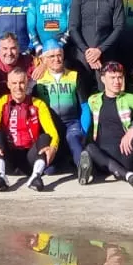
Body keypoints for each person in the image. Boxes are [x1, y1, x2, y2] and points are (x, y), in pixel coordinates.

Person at [77, 62, 133, 187]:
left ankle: (122, 172)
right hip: (104, 152)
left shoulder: (128, 97)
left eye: (119, 77)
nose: (117, 81)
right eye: (112, 78)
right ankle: (128, 176)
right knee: (89, 148)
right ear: (103, 79)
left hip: (125, 150)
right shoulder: (94, 100)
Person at [0, 68, 58, 192]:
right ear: (8, 85)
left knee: (46, 137)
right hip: (8, 158)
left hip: (30, 160)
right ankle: (1, 176)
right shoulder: (2, 102)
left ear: (27, 83)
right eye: (14, 83)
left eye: (21, 83)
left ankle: (36, 176)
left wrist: (53, 147)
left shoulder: (38, 104)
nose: (18, 87)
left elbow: (52, 131)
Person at [68, 0, 125, 82]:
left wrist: (100, 50)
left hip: (107, 55)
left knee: (105, 94)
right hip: (82, 56)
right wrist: (88, 53)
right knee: (82, 95)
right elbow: (73, 27)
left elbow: (119, 27)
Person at [33, 42, 84, 172]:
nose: (57, 59)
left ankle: (83, 167)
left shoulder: (74, 76)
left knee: (72, 138)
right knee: (50, 171)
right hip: (51, 125)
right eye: (51, 57)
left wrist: (85, 129)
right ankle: (65, 160)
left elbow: (84, 105)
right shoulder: (38, 80)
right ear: (43, 60)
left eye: (59, 55)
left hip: (72, 122)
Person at [0, 33, 32, 101]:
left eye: (13, 48)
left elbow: (46, 61)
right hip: (1, 108)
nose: (9, 53)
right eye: (5, 48)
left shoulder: (29, 61)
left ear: (18, 49)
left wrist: (43, 66)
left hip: (27, 106)